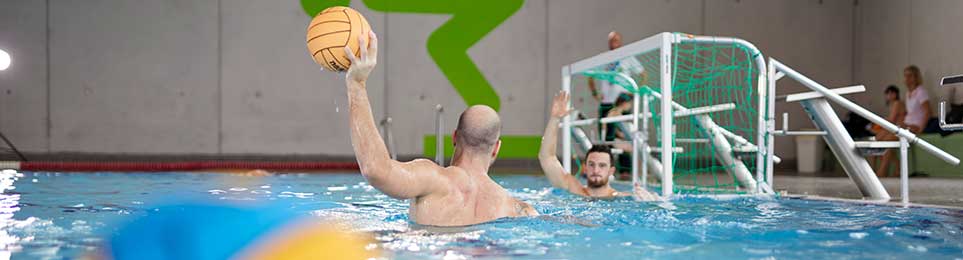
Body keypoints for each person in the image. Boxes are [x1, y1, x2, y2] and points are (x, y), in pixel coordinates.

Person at [342, 31, 538, 226]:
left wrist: (356, 84)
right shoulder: (518, 209)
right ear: (496, 148)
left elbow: (376, 170)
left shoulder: (433, 181)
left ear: (454, 137)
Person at [538, 91, 660, 200]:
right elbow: (547, 158)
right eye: (591, 165)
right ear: (585, 168)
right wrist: (554, 119)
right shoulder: (574, 189)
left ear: (611, 170)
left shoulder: (624, 198)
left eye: (602, 165)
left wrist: (651, 201)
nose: (596, 170)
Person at [587, 31, 646, 141]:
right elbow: (590, 76)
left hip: (622, 102)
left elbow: (643, 74)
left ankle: (626, 157)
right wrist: (595, 93)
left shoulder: (627, 57)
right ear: (608, 42)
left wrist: (634, 93)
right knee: (606, 136)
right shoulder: (603, 58)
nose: (614, 43)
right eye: (612, 40)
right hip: (606, 102)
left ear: (620, 42)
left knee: (624, 135)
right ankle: (609, 156)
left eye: (616, 40)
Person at [870, 85, 906, 177]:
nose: (889, 96)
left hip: (899, 129)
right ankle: (872, 169)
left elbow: (892, 120)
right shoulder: (893, 105)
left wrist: (878, 123)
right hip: (893, 128)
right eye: (887, 93)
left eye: (891, 93)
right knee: (875, 141)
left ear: (895, 94)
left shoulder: (898, 103)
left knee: (884, 143)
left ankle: (882, 171)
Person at [902, 65, 932, 134]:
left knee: (888, 137)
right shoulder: (908, 93)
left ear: (915, 77)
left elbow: (928, 112)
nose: (906, 78)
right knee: (881, 135)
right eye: (905, 76)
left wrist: (921, 129)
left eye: (909, 76)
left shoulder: (921, 92)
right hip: (907, 123)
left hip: (916, 125)